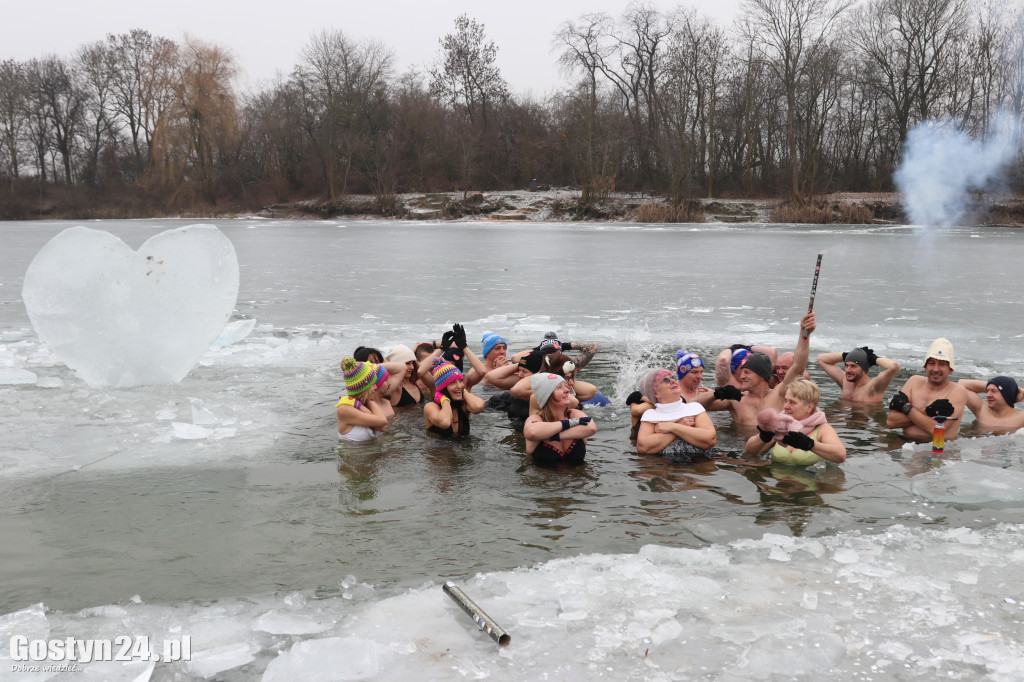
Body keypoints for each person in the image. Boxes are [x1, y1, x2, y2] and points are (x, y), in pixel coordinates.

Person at [704, 313, 816, 425]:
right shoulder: (736, 400)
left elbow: (798, 367)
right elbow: (694, 406)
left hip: (773, 441)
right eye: (742, 372)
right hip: (739, 442)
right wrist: (716, 394)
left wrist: (804, 334)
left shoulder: (779, 394)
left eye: (747, 372)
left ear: (761, 376)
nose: (742, 376)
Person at [745, 378, 847, 466]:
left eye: (792, 402)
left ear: (809, 407)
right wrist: (762, 437)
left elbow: (841, 455)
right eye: (786, 401)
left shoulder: (822, 429)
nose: (786, 406)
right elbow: (750, 451)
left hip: (811, 485)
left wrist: (809, 444)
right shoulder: (780, 424)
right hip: (777, 484)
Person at [886, 337, 970, 441]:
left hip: (938, 450)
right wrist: (928, 411)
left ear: (951, 369)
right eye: (931, 363)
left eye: (942, 364)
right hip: (905, 445)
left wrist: (905, 407)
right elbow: (891, 422)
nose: (935, 369)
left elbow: (935, 430)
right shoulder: (913, 382)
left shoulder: (958, 391)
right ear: (925, 366)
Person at [635, 369, 717, 463]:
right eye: (666, 380)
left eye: (673, 377)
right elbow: (643, 447)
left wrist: (673, 427)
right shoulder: (650, 415)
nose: (673, 381)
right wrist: (681, 424)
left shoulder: (694, 408)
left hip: (698, 463)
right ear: (656, 393)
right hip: (664, 466)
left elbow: (710, 439)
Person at [523, 372, 597, 467]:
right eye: (559, 388)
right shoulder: (536, 419)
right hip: (545, 479)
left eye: (564, 386)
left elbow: (591, 428)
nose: (567, 390)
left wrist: (553, 436)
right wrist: (569, 423)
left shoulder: (574, 414)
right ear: (547, 397)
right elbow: (531, 432)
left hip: (578, 479)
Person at [423, 356, 484, 439]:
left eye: (460, 381)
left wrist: (463, 390)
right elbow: (445, 422)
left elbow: (478, 407)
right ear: (443, 388)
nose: (459, 385)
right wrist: (444, 399)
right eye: (452, 383)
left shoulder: (464, 404)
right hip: (439, 450)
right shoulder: (430, 407)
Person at [816, 346, 900, 402]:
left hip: (863, 426)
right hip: (845, 422)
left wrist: (873, 359)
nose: (848, 370)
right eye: (846, 365)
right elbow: (821, 358)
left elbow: (894, 366)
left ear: (864, 368)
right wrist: (848, 355)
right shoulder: (845, 381)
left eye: (853, 366)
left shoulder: (873, 387)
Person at [336, 357, 389, 442]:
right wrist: (367, 407)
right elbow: (383, 421)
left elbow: (383, 428)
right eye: (372, 384)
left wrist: (367, 401)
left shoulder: (365, 403)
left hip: (372, 453)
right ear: (363, 388)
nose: (375, 387)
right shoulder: (344, 409)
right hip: (354, 454)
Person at [957, 376, 1024, 430]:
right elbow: (961, 384)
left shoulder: (1020, 418)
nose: (988, 395)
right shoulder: (983, 411)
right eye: (987, 391)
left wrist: (1014, 391)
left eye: (993, 391)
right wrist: (994, 384)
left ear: (1007, 394)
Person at [715, 344, 779, 388]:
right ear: (733, 371)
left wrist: (747, 347)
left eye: (753, 366)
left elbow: (773, 352)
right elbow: (723, 360)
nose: (752, 370)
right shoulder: (729, 384)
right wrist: (730, 349)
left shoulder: (766, 381)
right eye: (745, 370)